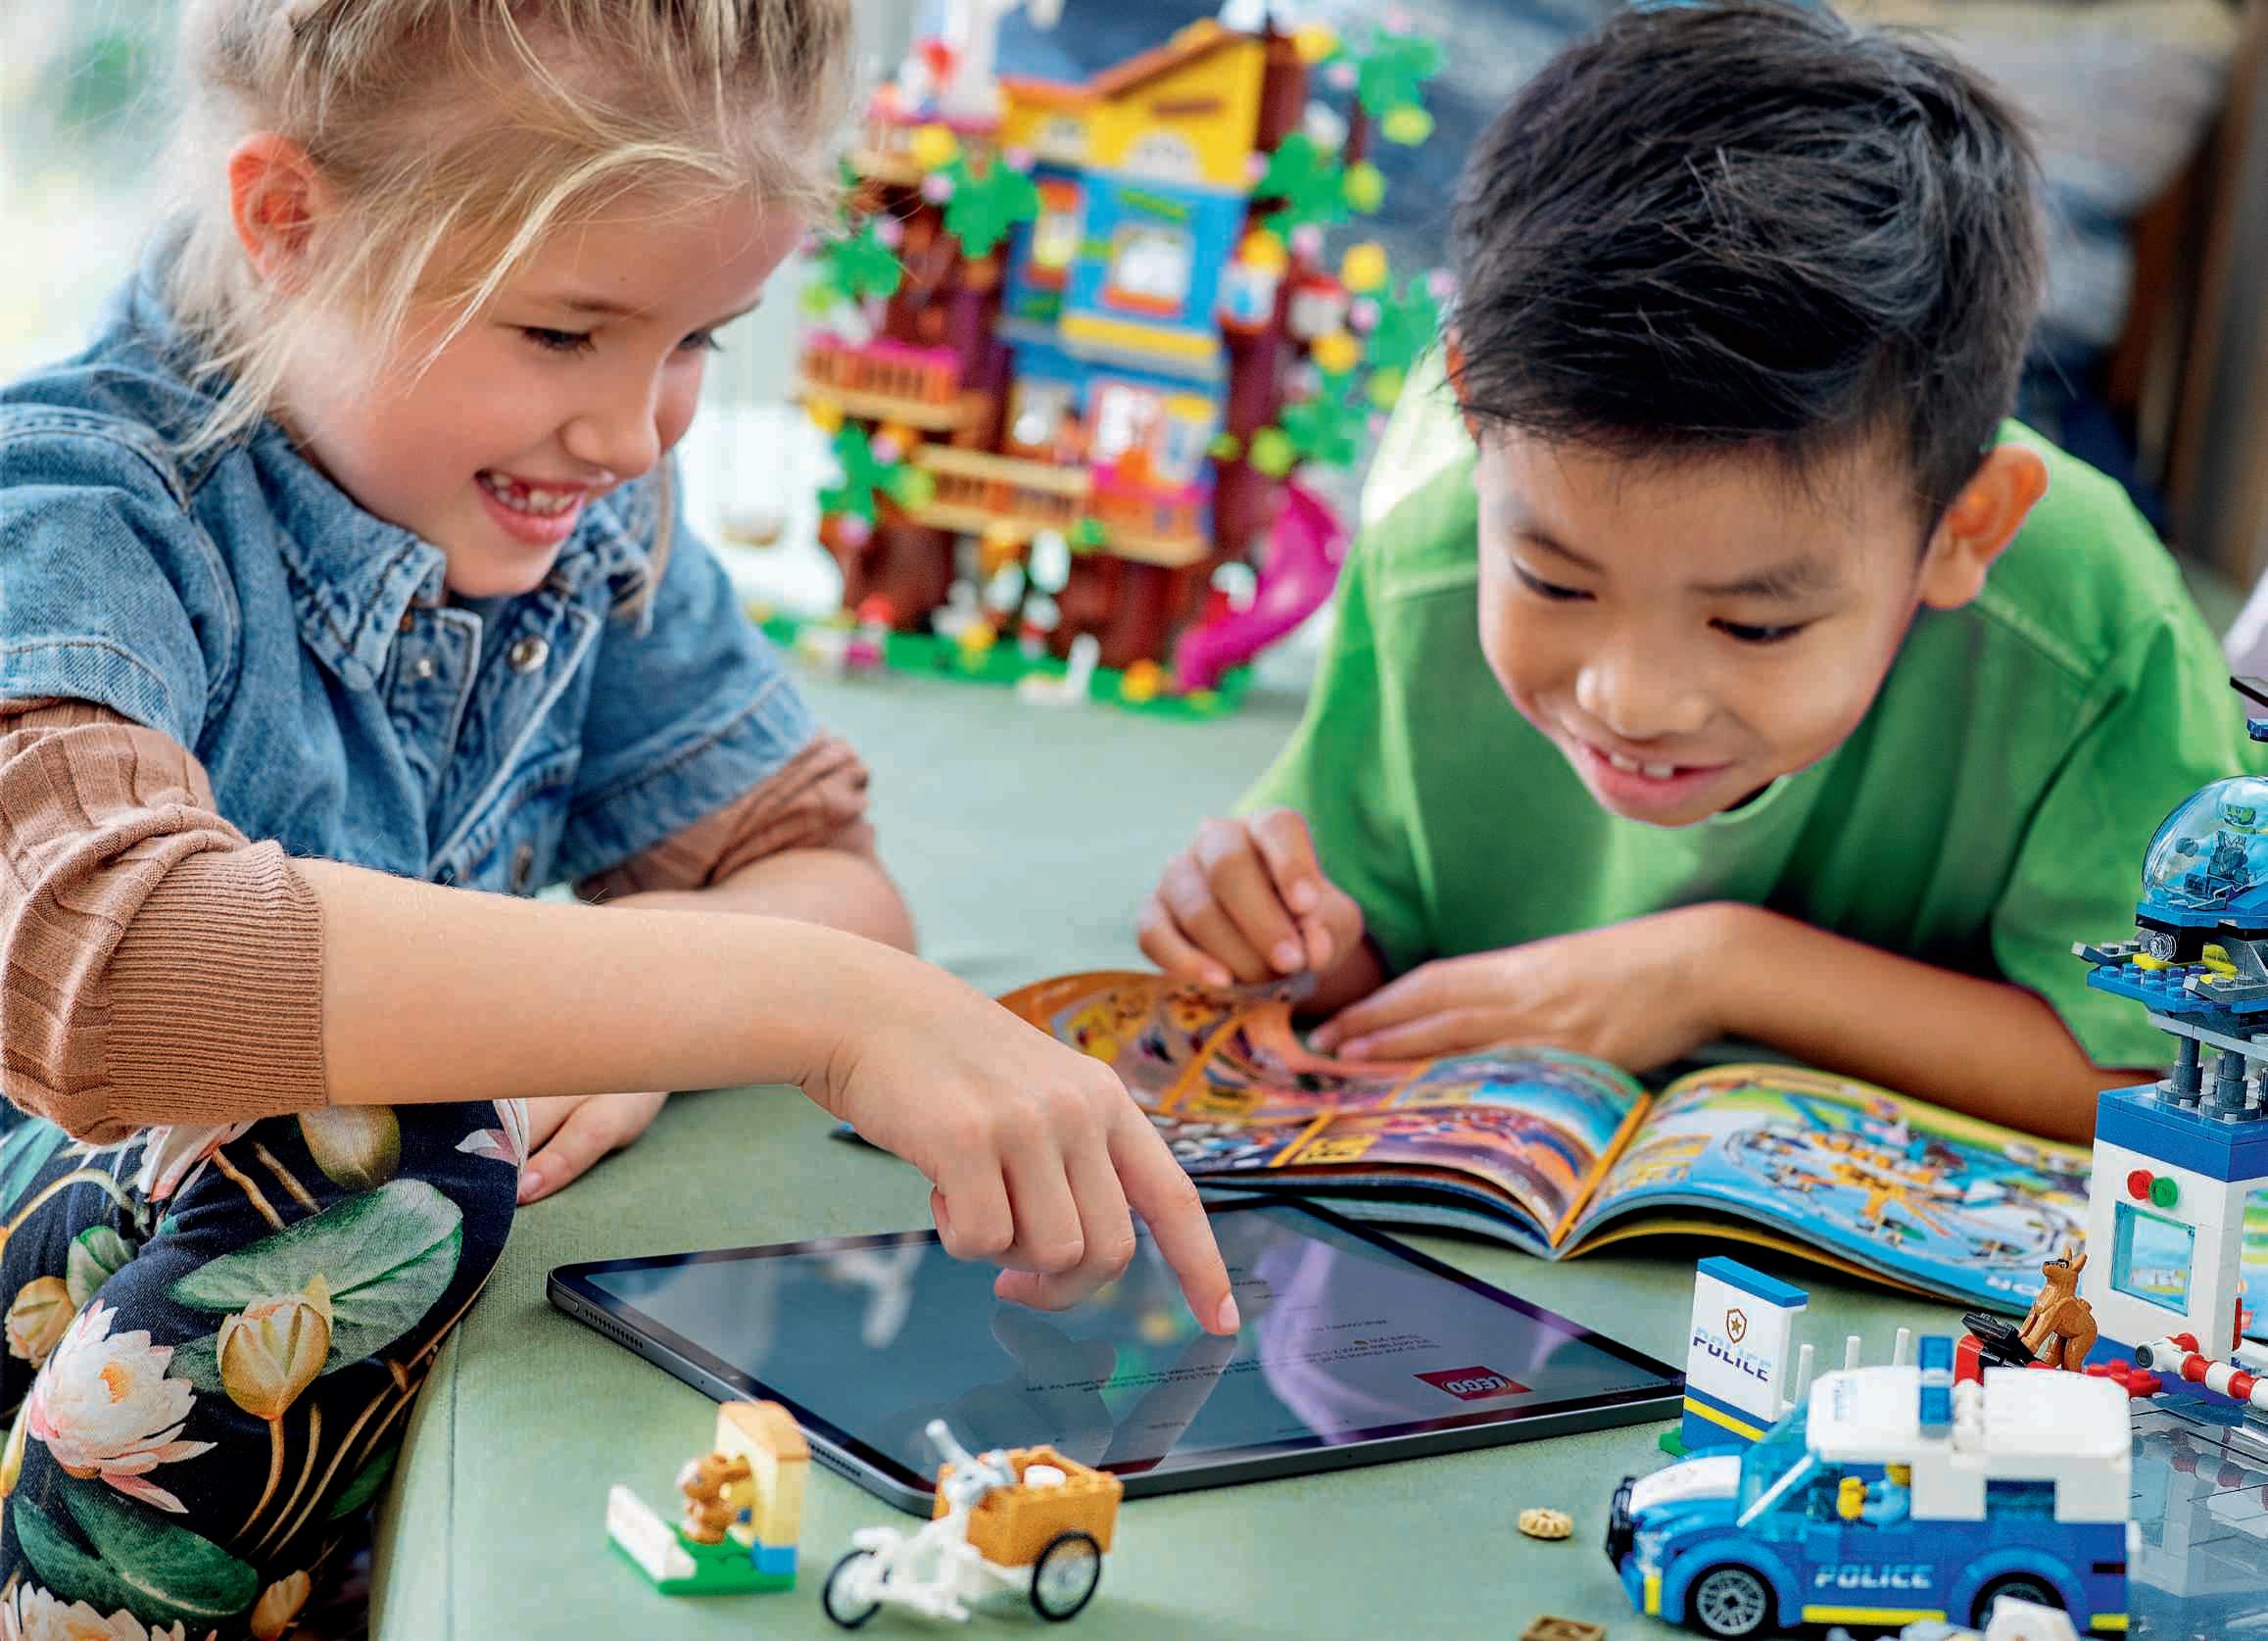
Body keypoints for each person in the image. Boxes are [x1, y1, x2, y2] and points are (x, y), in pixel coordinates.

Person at [0, 0, 1232, 1625]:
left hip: (286, 1429)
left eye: (702, 339)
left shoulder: (578, 506)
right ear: (290, 221)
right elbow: (110, 967)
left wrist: (652, 1000)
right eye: (563, 333)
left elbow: (819, 870)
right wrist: (807, 999)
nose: (639, 428)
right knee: (383, 1144)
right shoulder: (72, 508)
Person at [1136, 0, 2253, 1142]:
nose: (1629, 699)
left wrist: (1720, 969)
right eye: (1553, 584)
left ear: (1964, 529)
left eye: (1753, 626)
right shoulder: (1426, 563)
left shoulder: (2086, 620)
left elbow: (2182, 1073)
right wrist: (1274, 934)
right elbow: (1357, 951)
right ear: (1470, 408)